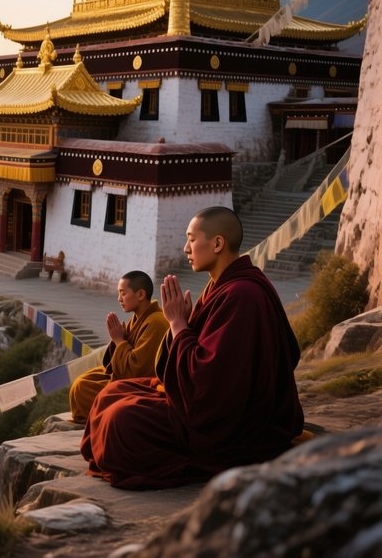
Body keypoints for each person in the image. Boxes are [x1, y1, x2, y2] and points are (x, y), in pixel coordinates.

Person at [80, 206, 304, 489]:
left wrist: (177, 324)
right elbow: (192, 362)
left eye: (191, 239)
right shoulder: (222, 286)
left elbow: (209, 385)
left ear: (218, 243)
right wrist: (183, 325)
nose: (185, 248)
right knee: (110, 393)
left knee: (120, 421)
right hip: (203, 402)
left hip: (234, 425)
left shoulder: (242, 295)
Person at [68, 270, 168, 423]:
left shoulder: (156, 322)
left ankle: (92, 418)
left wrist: (119, 340)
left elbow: (137, 370)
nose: (119, 299)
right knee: (84, 379)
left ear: (140, 295)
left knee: (82, 388)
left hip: (142, 385)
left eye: (123, 293)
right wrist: (117, 341)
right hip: (124, 375)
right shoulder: (139, 318)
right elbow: (116, 362)